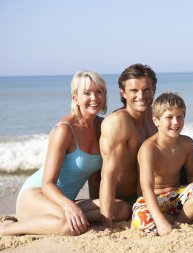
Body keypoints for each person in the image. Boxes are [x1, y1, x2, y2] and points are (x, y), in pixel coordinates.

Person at [0, 71, 127, 236]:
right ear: (75, 98)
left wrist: (99, 208)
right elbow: (47, 183)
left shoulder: (104, 127)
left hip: (66, 201)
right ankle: (7, 229)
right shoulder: (65, 129)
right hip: (37, 195)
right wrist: (70, 207)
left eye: (99, 92)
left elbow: (95, 178)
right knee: (69, 225)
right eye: (87, 93)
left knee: (121, 208)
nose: (94, 98)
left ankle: (63, 219)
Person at [132, 92, 193, 236]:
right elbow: (146, 190)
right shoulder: (149, 148)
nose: (175, 122)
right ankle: (168, 220)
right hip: (153, 200)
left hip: (177, 196)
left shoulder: (187, 143)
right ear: (156, 120)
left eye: (180, 117)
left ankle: (179, 222)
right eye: (169, 118)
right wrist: (159, 221)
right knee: (140, 219)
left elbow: (192, 174)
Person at [99, 64, 158, 229]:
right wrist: (106, 223)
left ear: (154, 89)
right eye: (134, 91)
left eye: (147, 89)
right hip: (123, 200)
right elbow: (108, 175)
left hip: (149, 194)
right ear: (123, 92)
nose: (141, 95)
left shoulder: (155, 117)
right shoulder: (118, 122)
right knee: (123, 210)